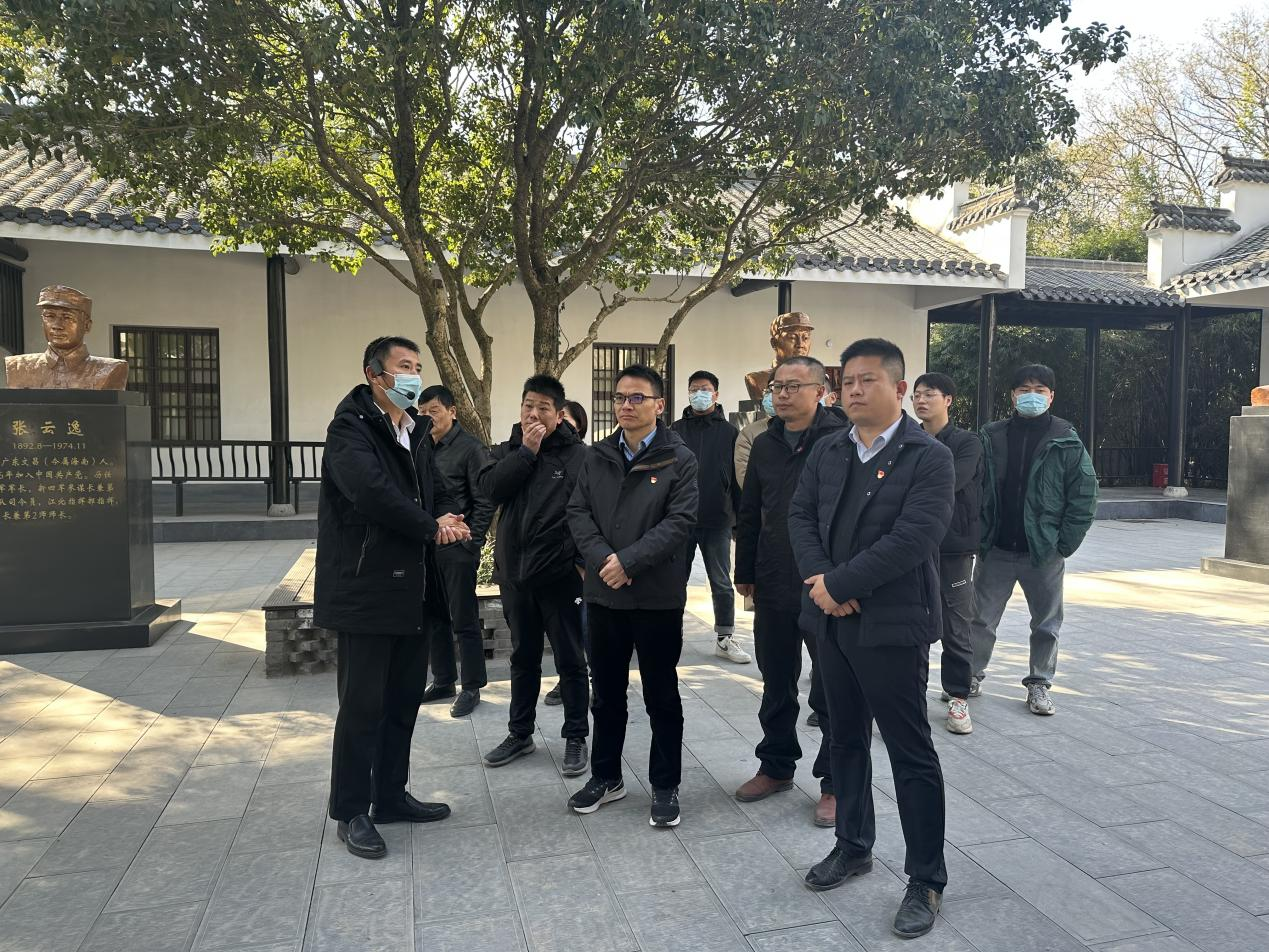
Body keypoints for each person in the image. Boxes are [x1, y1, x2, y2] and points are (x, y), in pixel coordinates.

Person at [788, 338, 953, 939]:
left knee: (910, 751)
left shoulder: (928, 456)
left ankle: (926, 878)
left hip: (893, 624)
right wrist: (822, 582)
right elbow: (800, 516)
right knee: (845, 737)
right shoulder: (830, 448)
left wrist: (840, 583)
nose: (854, 390)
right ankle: (853, 845)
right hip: (832, 620)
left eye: (868, 380)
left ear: (899, 388)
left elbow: (915, 537)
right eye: (848, 381)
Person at [315, 336, 471, 859]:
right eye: (404, 366)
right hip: (366, 587)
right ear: (374, 374)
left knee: (402, 702)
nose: (413, 376)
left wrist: (446, 515)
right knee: (362, 706)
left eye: (417, 367)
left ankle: (389, 796)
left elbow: (430, 489)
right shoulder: (350, 429)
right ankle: (350, 810)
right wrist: (430, 526)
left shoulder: (414, 429)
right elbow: (372, 493)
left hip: (412, 588)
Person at [567, 363, 699, 828]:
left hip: (656, 597)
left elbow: (680, 522)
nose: (626, 404)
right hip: (604, 594)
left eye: (637, 397)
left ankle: (665, 784)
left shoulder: (679, 459)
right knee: (605, 694)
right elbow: (578, 511)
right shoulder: (596, 455)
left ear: (659, 405)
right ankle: (606, 776)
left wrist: (630, 562)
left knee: (661, 694)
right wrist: (606, 560)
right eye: (620, 397)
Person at [734, 356, 845, 827]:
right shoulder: (764, 443)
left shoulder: (842, 439)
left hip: (826, 583)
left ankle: (835, 781)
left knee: (831, 687)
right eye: (776, 386)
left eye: (792, 386)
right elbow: (750, 510)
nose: (781, 394)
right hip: (774, 577)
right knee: (776, 680)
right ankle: (776, 766)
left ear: (820, 391)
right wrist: (745, 570)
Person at [478, 375, 590, 776]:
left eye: (544, 407)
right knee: (523, 658)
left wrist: (581, 564)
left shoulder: (580, 457)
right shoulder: (507, 449)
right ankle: (520, 733)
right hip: (516, 576)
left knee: (570, 660)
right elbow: (490, 490)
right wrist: (526, 451)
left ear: (559, 415)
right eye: (529, 405)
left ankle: (576, 736)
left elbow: (592, 511)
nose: (534, 414)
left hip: (561, 576)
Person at [971, 364, 1098, 716]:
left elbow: (1084, 494)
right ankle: (969, 675)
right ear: (1012, 395)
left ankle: (1039, 683)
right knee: (980, 619)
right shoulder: (992, 435)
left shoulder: (1065, 439)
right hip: (996, 547)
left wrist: (1063, 544)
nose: (1032, 395)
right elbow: (975, 486)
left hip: (1042, 552)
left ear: (1051, 396)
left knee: (1046, 623)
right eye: (1024, 389)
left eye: (1040, 390)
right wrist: (978, 533)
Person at [417, 385, 495, 718]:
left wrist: (471, 542)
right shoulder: (419, 446)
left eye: (433, 411)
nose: (427, 417)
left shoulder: (471, 448)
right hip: (427, 546)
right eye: (422, 412)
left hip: (458, 547)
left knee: (463, 617)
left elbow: (486, 499)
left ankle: (472, 685)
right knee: (434, 616)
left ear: (452, 412)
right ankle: (443, 680)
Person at [911, 372, 982, 735]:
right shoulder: (906, 438)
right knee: (914, 623)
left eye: (930, 394)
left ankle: (958, 696)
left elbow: (950, 481)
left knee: (956, 625)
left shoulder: (967, 443)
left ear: (948, 400)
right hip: (912, 547)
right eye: (917, 395)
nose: (921, 401)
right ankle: (911, 700)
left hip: (954, 548)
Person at [672, 370, 750, 664]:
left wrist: (739, 521)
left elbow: (738, 479)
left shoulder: (730, 433)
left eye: (704, 389)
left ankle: (724, 637)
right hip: (680, 520)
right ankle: (670, 634)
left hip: (718, 519)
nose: (699, 394)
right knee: (674, 580)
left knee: (720, 581)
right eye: (694, 389)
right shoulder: (675, 430)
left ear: (716, 394)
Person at [544, 399, 590, 707]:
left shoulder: (588, 460)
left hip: (581, 560)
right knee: (564, 631)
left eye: (568, 421)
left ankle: (595, 678)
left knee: (585, 625)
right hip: (553, 561)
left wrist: (584, 562)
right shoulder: (544, 458)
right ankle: (568, 678)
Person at [734, 389, 775, 489]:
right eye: (769, 390)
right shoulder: (749, 432)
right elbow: (744, 476)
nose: (772, 395)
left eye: (778, 388)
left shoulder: (805, 429)